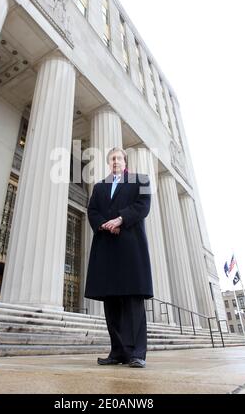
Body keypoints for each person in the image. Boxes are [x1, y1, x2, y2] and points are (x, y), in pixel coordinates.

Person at [84, 147, 153, 368]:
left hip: (131, 248)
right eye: (112, 158)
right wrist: (104, 224)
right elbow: (92, 210)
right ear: (108, 163)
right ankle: (118, 352)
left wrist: (121, 219)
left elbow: (142, 206)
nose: (115, 161)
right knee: (111, 303)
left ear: (125, 161)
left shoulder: (140, 180)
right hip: (107, 248)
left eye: (119, 158)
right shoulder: (99, 186)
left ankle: (136, 354)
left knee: (133, 302)